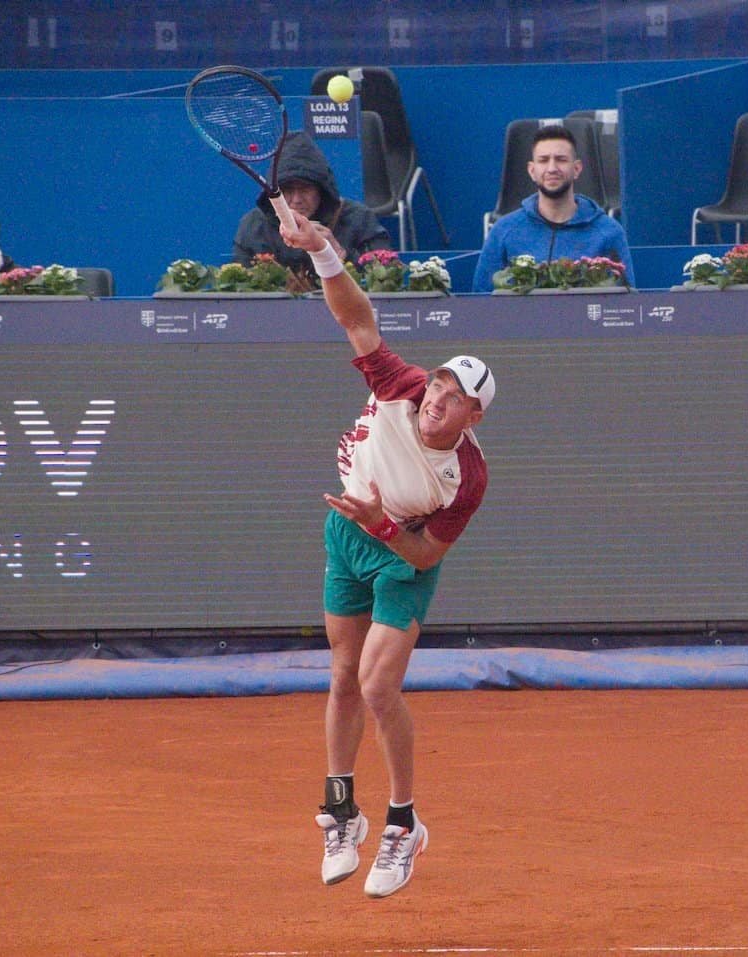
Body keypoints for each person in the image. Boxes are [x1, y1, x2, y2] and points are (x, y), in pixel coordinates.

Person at [278, 208, 494, 898]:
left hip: (402, 555)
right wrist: (323, 251)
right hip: (348, 534)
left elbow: (427, 556)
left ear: (473, 418)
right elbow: (356, 318)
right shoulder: (401, 386)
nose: (438, 399)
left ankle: (403, 822)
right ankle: (342, 810)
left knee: (378, 688)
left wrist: (382, 524)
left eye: (455, 399)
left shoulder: (467, 477)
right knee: (343, 677)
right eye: (440, 386)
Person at [471, 123, 636, 292]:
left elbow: (626, 300)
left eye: (561, 160)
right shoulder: (503, 231)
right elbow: (481, 299)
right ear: (532, 170)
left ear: (577, 169)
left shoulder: (609, 231)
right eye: (543, 160)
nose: (552, 168)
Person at [232, 131, 390, 285]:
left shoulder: (359, 220)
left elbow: (386, 280)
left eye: (305, 189)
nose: (296, 200)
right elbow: (240, 288)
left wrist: (340, 255)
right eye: (287, 190)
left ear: (322, 190)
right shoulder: (254, 226)